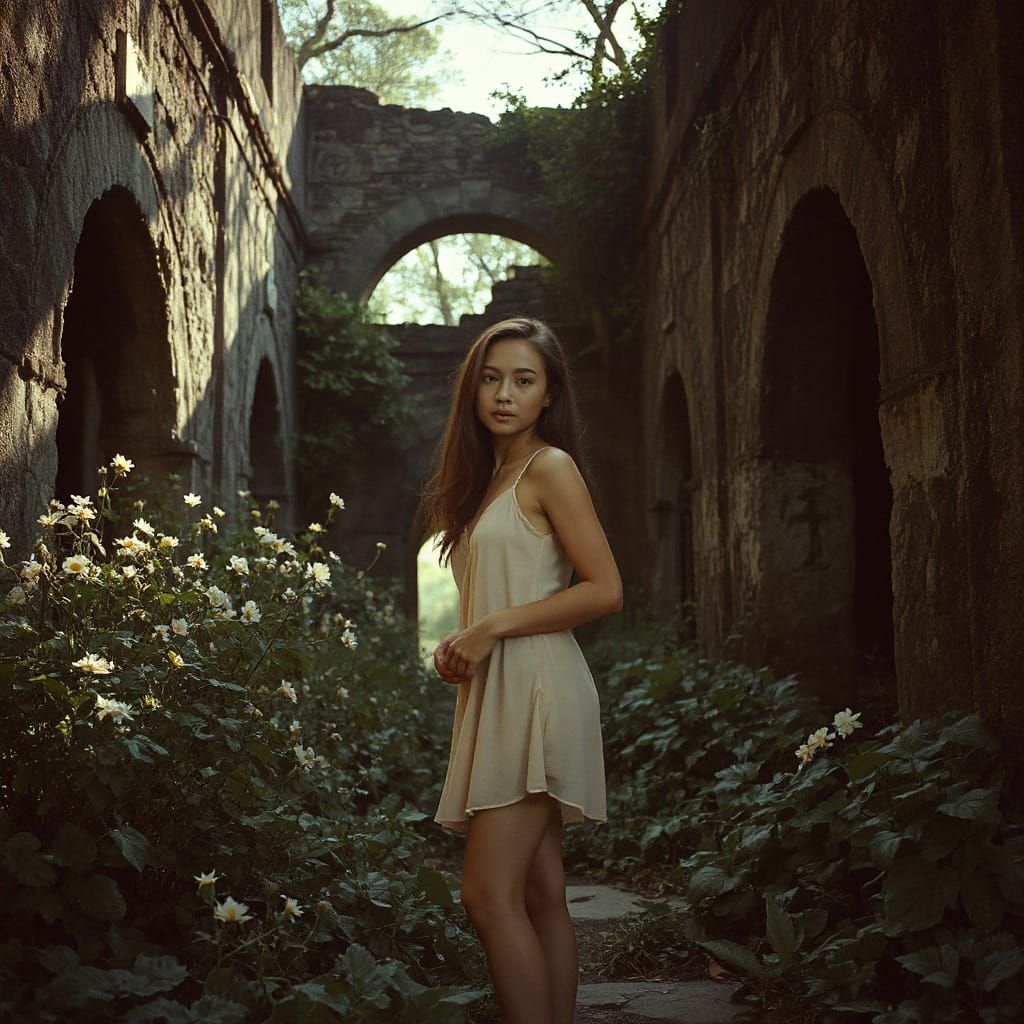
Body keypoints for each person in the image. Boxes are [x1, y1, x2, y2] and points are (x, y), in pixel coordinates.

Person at [419, 317, 623, 1024]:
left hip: (539, 688)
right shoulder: (488, 480)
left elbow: (605, 589)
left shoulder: (550, 467)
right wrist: (462, 643)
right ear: (473, 388)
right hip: (499, 689)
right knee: (538, 893)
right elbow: (501, 591)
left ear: (549, 394)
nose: (505, 394)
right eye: (491, 378)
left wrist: (492, 628)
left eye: (524, 380)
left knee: (486, 894)